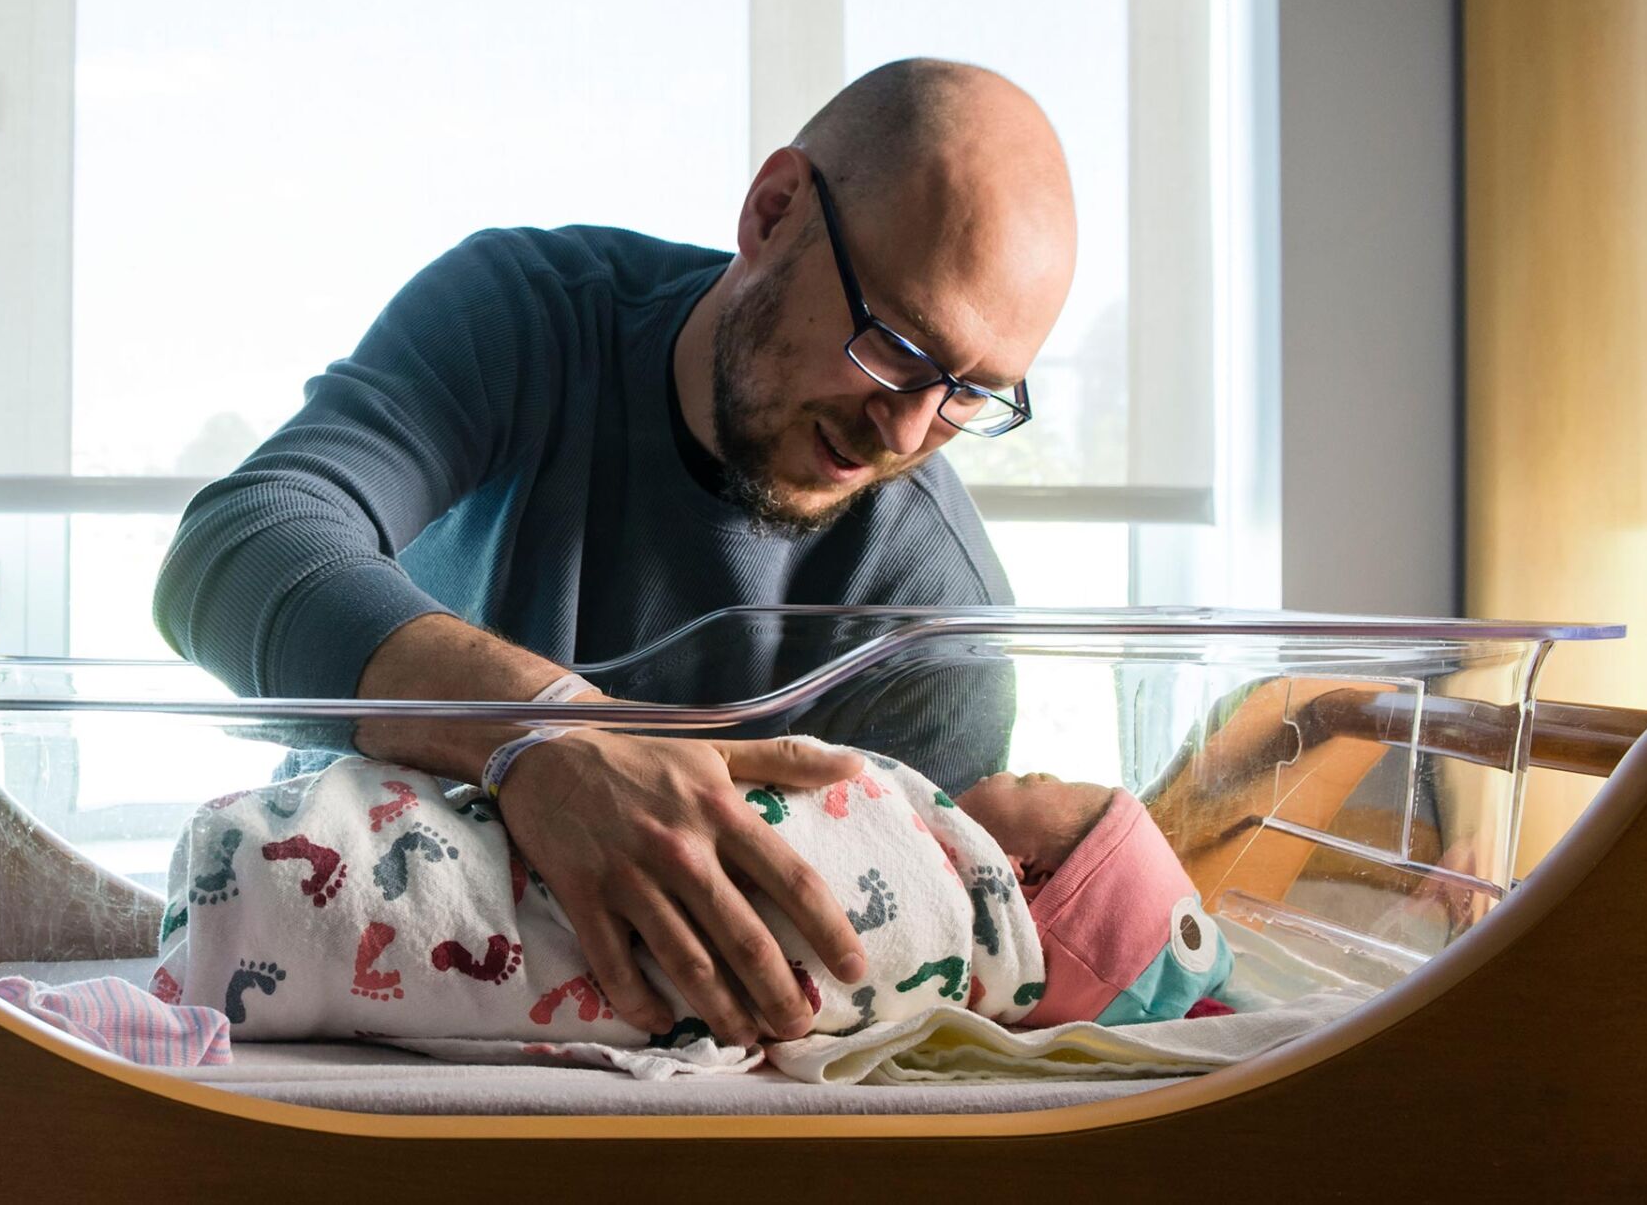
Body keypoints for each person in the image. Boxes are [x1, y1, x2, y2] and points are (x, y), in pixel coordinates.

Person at [153, 57, 1080, 1047]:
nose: (904, 432)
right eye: (894, 343)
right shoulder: (527, 318)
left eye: (971, 394)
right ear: (773, 213)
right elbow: (234, 550)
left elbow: (876, 1014)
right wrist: (542, 734)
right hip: (310, 987)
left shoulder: (932, 627)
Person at [149, 747, 1231, 1065]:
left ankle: (265, 897)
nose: (1015, 769)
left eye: (1045, 784)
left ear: (1028, 875)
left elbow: (830, 868)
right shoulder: (522, 312)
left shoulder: (938, 875)